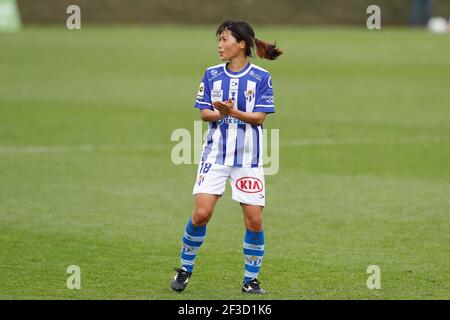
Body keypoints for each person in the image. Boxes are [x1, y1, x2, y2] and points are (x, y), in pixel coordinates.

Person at [171, 19, 282, 294]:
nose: (220, 45)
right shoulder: (211, 74)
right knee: (201, 214)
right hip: (215, 157)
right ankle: (185, 268)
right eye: (218, 40)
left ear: (241, 44)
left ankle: (250, 280)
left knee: (254, 221)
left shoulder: (261, 77)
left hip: (249, 160)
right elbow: (204, 113)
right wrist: (220, 112)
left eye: (225, 40)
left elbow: (258, 118)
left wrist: (231, 112)